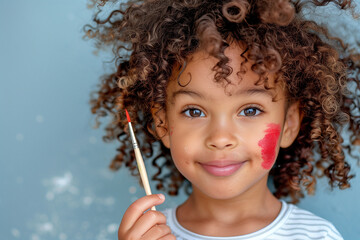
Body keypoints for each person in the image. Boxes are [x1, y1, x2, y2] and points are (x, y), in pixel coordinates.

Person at [85, 0, 360, 239]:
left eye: (250, 110)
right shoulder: (148, 236)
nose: (220, 138)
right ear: (163, 124)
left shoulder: (316, 236)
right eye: (194, 111)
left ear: (289, 124)